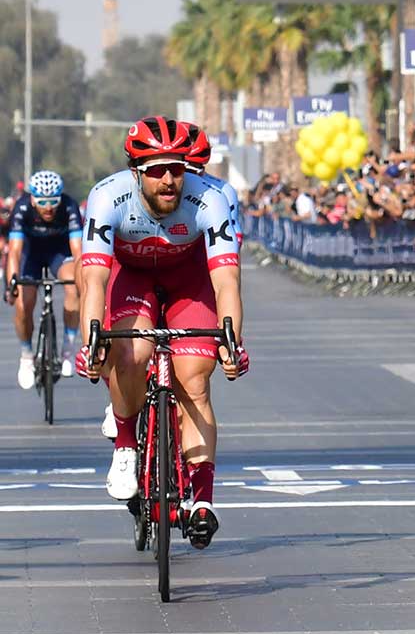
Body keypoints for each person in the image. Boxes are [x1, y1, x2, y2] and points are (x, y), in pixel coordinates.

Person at [75, 116, 248, 551]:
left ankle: (202, 502)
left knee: (194, 378)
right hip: (129, 277)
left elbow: (227, 281)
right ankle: (127, 442)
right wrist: (91, 344)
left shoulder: (209, 199)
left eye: (175, 168)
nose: (169, 180)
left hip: (189, 280)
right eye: (156, 170)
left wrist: (232, 342)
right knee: (129, 354)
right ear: (136, 172)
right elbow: (93, 282)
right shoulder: (107, 197)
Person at [4, 170, 83, 386]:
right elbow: (15, 252)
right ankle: (27, 355)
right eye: (42, 201)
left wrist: (84, 280)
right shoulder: (22, 208)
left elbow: (78, 252)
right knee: (22, 303)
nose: (48, 207)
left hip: (59, 252)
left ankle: (68, 348)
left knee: (74, 285)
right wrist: (12, 283)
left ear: (60, 198)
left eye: (53, 201)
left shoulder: (69, 207)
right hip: (31, 254)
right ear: (32, 198)